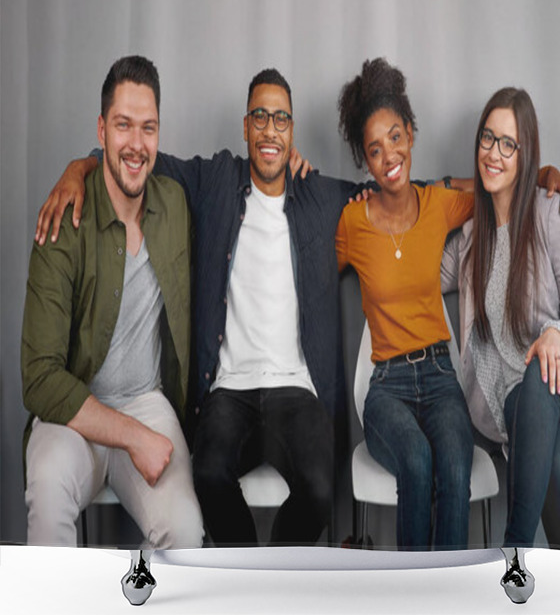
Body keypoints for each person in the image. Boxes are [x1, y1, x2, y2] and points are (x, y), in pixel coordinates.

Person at [35, 69, 350, 547]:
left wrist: (468, 188)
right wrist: (77, 168)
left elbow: (393, 196)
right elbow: (135, 161)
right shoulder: (213, 182)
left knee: (322, 488)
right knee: (208, 477)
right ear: (246, 127)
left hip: (294, 388)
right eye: (260, 117)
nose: (270, 129)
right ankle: (241, 581)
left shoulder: (317, 196)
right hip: (228, 390)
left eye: (281, 119)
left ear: (292, 130)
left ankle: (276, 575)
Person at [334, 59, 560, 551]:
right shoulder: (352, 223)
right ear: (365, 158)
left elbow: (501, 188)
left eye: (396, 138)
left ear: (412, 136)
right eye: (374, 149)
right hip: (386, 387)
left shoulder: (440, 201)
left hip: (443, 379)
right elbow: (308, 269)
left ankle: (450, 597)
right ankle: (413, 594)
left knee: (454, 464)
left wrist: (546, 171)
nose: (389, 156)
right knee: (417, 462)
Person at [440, 87, 560, 568]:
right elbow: (410, 246)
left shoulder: (550, 212)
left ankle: (513, 549)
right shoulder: (467, 241)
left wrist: (555, 334)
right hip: (524, 415)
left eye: (509, 144)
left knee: (539, 372)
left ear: (527, 155)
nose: (495, 153)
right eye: (488, 138)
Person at [21, 55, 203, 548]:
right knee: (49, 490)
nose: (136, 144)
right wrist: (133, 436)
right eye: (123, 125)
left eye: (149, 128)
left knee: (185, 532)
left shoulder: (175, 203)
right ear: (101, 130)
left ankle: (129, 601)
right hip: (74, 410)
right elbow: (38, 378)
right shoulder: (62, 218)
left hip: (147, 402)